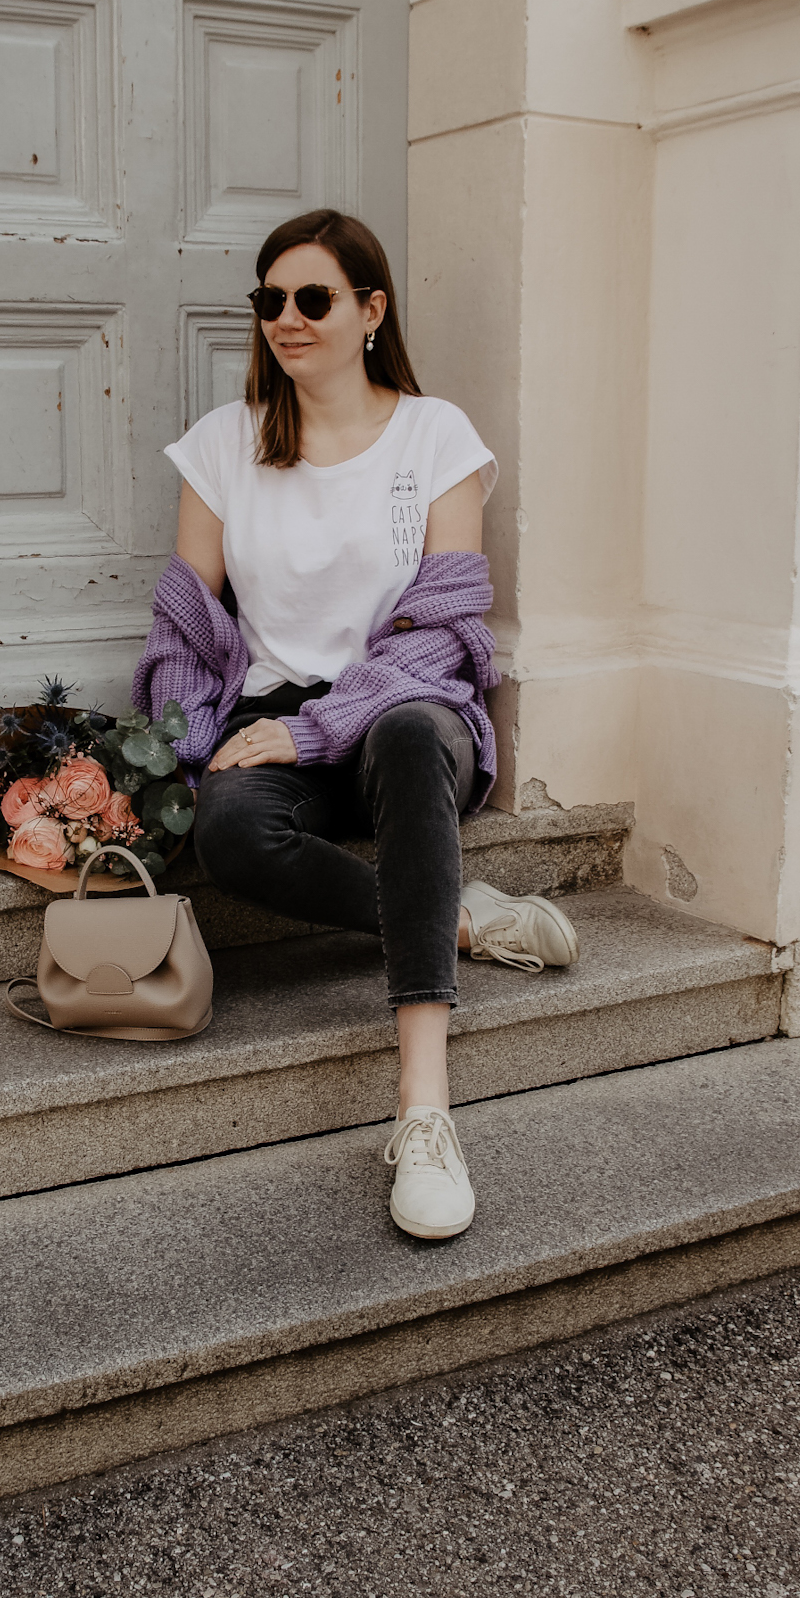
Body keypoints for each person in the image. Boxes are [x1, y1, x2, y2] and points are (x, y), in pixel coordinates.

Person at [132, 210, 578, 1240]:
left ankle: (423, 1111)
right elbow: (186, 635)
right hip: (277, 716)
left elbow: (441, 628)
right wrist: (174, 756)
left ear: (370, 310)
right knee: (231, 829)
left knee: (413, 731)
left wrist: (321, 729)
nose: (285, 319)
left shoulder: (436, 436)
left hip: (408, 713)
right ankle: (462, 918)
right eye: (269, 300)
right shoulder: (223, 446)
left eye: (313, 298)